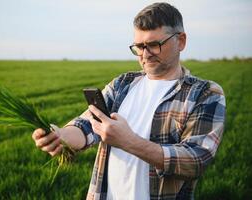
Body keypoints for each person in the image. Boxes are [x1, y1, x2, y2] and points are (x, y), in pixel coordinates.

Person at [32, 2, 226, 200]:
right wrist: (60, 135)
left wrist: (128, 141)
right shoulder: (123, 84)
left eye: (153, 45)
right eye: (139, 47)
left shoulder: (204, 93)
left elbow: (195, 161)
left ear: (181, 41)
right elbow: (86, 126)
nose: (145, 54)